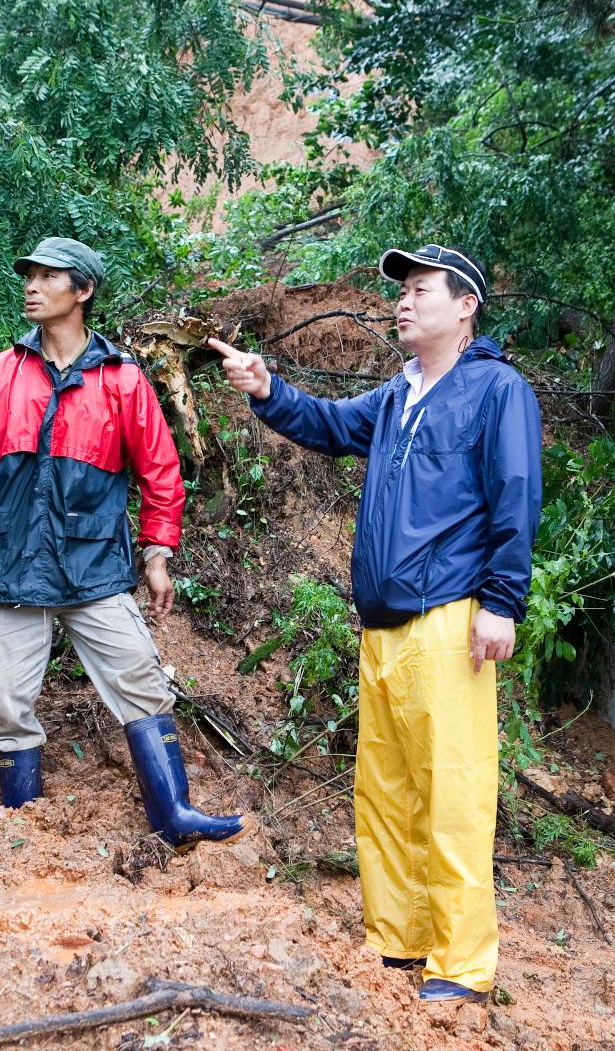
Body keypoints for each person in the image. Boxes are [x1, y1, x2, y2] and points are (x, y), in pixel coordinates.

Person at [209, 244, 542, 1002]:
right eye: (400, 291)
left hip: (450, 619)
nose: (401, 301)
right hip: (383, 628)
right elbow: (327, 425)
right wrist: (267, 388)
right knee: (384, 793)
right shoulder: (398, 396)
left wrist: (502, 602)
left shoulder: (495, 389)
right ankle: (399, 944)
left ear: (465, 306)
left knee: (452, 796)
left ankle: (460, 965)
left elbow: (515, 496)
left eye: (419, 290)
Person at [0, 236, 249, 851]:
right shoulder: (4, 371)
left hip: (93, 566)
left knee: (140, 679)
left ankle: (174, 814)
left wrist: (157, 555)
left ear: (83, 291)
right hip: (12, 565)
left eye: (49, 277)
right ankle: (21, 825)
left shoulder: (122, 380)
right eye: (29, 275)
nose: (32, 286)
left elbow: (161, 472)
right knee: (5, 699)